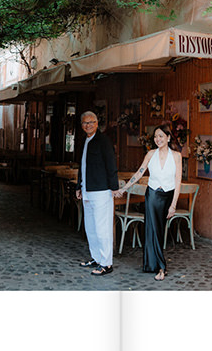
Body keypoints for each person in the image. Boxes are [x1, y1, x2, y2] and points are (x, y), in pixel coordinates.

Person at [116, 124, 184, 281]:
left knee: (159, 229)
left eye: (161, 136)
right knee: (153, 229)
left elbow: (177, 181)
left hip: (168, 196)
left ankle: (152, 264)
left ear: (168, 137)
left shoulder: (176, 156)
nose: (157, 139)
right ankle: (161, 267)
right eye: (155, 137)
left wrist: (173, 205)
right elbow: (139, 173)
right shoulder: (150, 154)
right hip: (152, 194)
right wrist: (124, 188)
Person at [73, 109, 120, 276]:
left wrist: (114, 188)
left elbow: (111, 164)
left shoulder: (103, 141)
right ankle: (96, 257)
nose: (88, 125)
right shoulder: (85, 141)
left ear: (97, 124)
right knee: (90, 227)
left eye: (91, 122)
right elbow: (82, 167)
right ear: (82, 125)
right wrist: (79, 186)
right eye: (85, 123)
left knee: (102, 228)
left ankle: (106, 263)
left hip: (101, 191)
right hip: (87, 190)